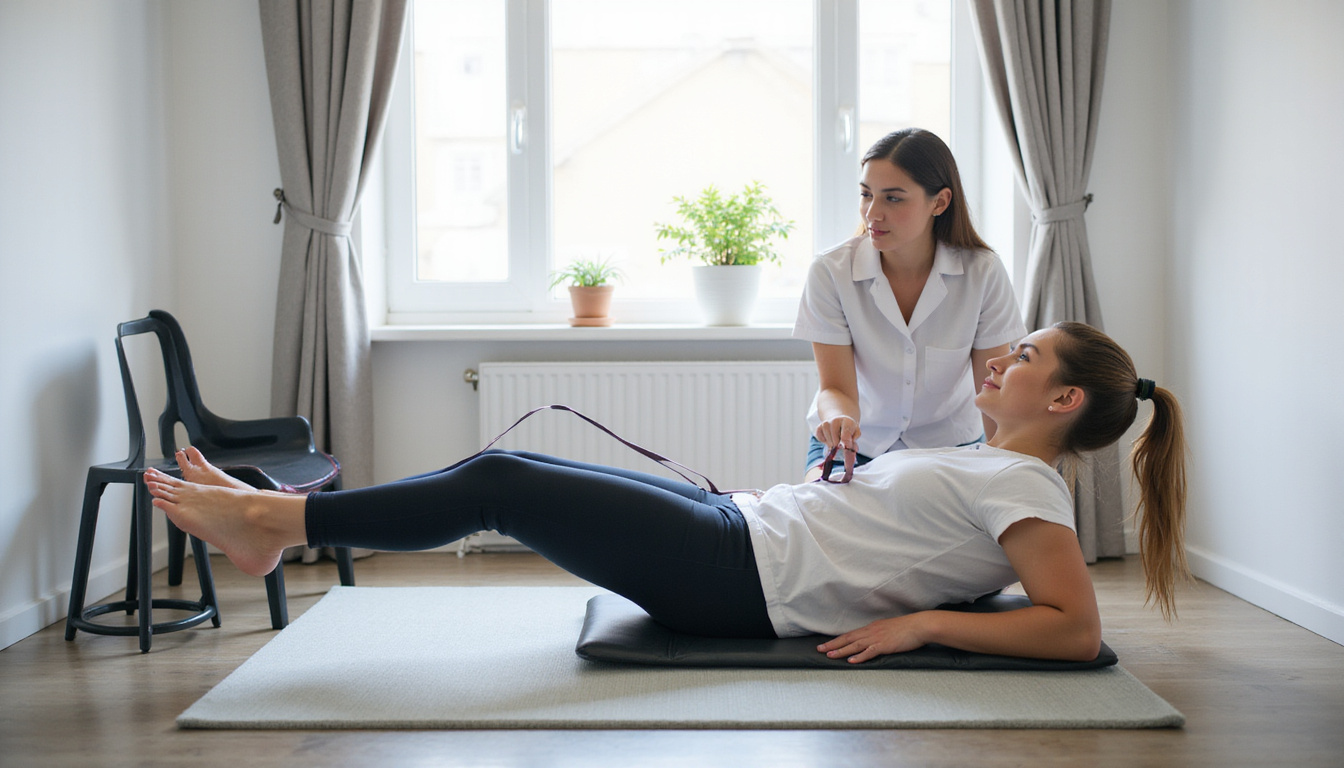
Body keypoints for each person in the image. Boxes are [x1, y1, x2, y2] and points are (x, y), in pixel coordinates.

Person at [144, 322, 1187, 664]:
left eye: (1026, 355)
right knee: (514, 472)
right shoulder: (985, 455)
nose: (1001, 356)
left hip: (737, 581)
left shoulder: (1029, 491)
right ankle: (273, 526)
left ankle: (273, 523)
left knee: (502, 481)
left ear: (1060, 400)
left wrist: (922, 625)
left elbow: (1072, 625)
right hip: (741, 531)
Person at [797, 128, 1026, 481]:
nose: (873, 213)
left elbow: (991, 388)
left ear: (940, 202)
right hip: (855, 447)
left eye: (893, 199)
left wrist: (1005, 471)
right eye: (866, 194)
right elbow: (835, 389)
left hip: (953, 447)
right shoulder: (830, 272)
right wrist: (838, 422)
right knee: (823, 515)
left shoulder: (983, 273)